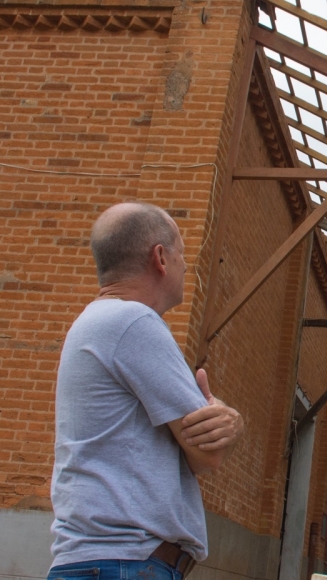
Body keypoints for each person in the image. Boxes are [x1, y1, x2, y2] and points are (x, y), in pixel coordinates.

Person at [48, 202, 244, 580]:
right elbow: (209, 453)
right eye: (182, 254)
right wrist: (230, 422)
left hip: (101, 561)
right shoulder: (133, 321)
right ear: (160, 258)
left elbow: (199, 453)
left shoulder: (95, 322)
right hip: (124, 562)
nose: (187, 267)